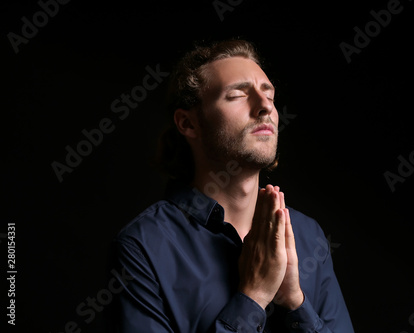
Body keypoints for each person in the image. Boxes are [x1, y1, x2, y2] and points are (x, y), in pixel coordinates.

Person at [107, 39, 354, 332]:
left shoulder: (308, 235)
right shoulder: (142, 247)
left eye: (269, 95)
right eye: (237, 94)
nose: (264, 107)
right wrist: (253, 297)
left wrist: (296, 303)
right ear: (188, 124)